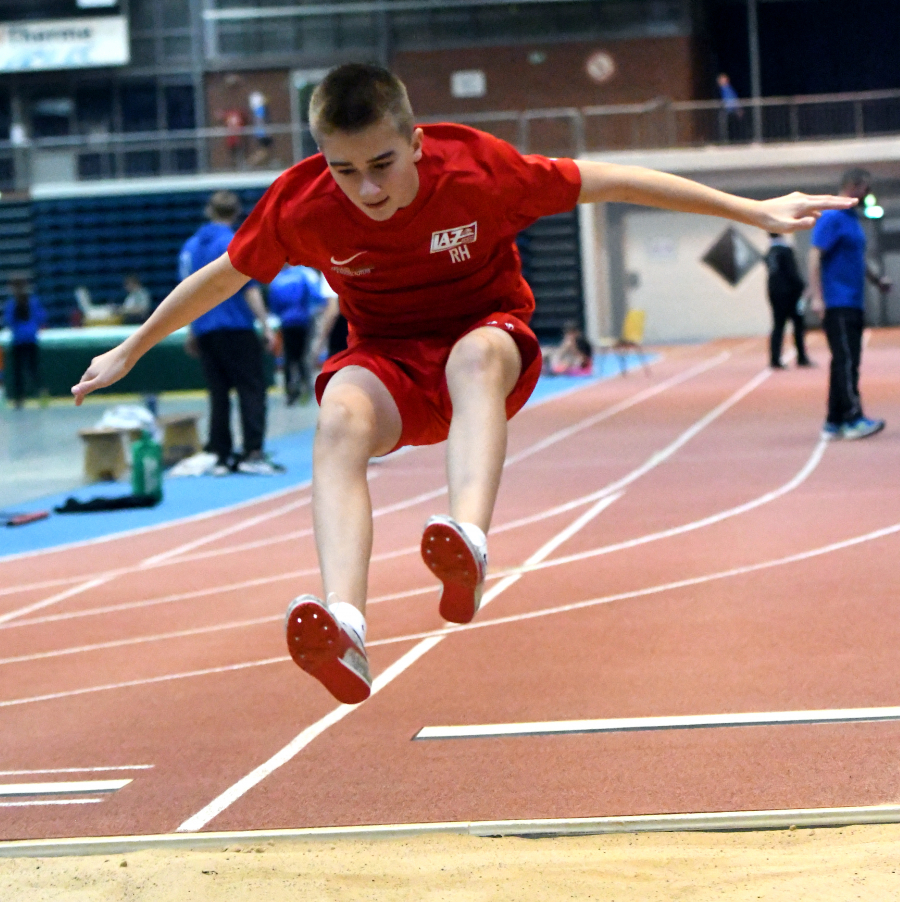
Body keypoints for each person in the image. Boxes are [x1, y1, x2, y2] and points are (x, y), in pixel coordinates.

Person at [72, 63, 853, 705]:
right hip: (387, 363)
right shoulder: (303, 206)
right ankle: (346, 623)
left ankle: (470, 544)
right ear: (322, 160)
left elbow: (612, 180)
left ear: (415, 142)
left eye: (383, 164)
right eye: (346, 171)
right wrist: (131, 351)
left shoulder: (479, 170)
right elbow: (222, 276)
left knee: (471, 357)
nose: (368, 190)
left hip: (487, 344)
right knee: (339, 418)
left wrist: (750, 209)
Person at [179, 190, 280, 475]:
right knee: (251, 389)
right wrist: (266, 324)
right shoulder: (234, 242)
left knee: (218, 393)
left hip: (204, 329)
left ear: (208, 210)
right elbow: (248, 287)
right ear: (236, 213)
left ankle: (220, 453)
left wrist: (191, 330)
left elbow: (185, 294)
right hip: (236, 327)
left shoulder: (190, 248)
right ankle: (253, 452)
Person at [808, 168, 890, 441]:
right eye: (865, 188)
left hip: (854, 300)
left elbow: (858, 259)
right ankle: (853, 419)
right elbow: (814, 256)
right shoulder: (831, 217)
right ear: (853, 186)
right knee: (846, 362)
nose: (867, 194)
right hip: (837, 301)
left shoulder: (852, 220)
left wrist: (876, 280)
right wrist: (817, 297)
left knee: (844, 362)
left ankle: (833, 421)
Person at [267, 264, 326, 404]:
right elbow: (317, 296)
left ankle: (290, 392)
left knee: (288, 357)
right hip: (303, 321)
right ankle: (306, 388)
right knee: (303, 356)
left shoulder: (277, 280)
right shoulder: (305, 274)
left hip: (286, 323)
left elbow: (273, 305)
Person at [765, 233, 811, 369]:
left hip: (774, 293)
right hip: (790, 294)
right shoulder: (785, 251)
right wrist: (802, 286)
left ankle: (775, 358)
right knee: (798, 325)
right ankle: (801, 357)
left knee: (778, 326)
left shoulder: (769, 252)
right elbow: (792, 272)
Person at [3, 276, 45, 409]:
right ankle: (38, 394)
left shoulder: (16, 304)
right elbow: (41, 317)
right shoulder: (29, 302)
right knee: (30, 370)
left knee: (22, 371)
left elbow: (8, 321)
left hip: (20, 340)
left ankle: (23, 398)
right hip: (27, 339)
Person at [717, 73, 744, 143]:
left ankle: (732, 141)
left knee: (731, 127)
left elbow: (733, 99)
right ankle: (727, 141)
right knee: (727, 128)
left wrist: (738, 109)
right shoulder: (722, 90)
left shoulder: (728, 89)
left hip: (730, 111)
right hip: (727, 111)